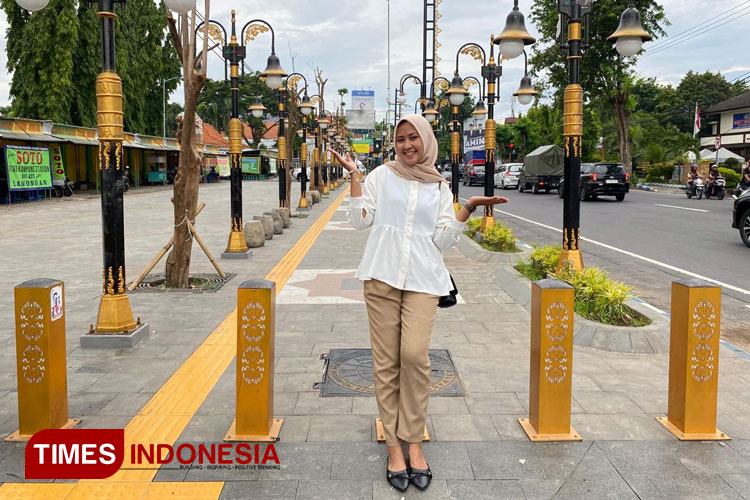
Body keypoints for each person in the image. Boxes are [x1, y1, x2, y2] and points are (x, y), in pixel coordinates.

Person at [328, 114, 508, 493]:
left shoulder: (440, 187)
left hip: (425, 280)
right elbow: (361, 222)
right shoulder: (381, 176)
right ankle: (396, 447)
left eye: (414, 138)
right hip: (381, 277)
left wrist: (469, 207)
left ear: (427, 140)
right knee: (386, 362)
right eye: (401, 138)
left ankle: (414, 438)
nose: (407, 145)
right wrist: (355, 177)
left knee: (414, 356)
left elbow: (442, 240)